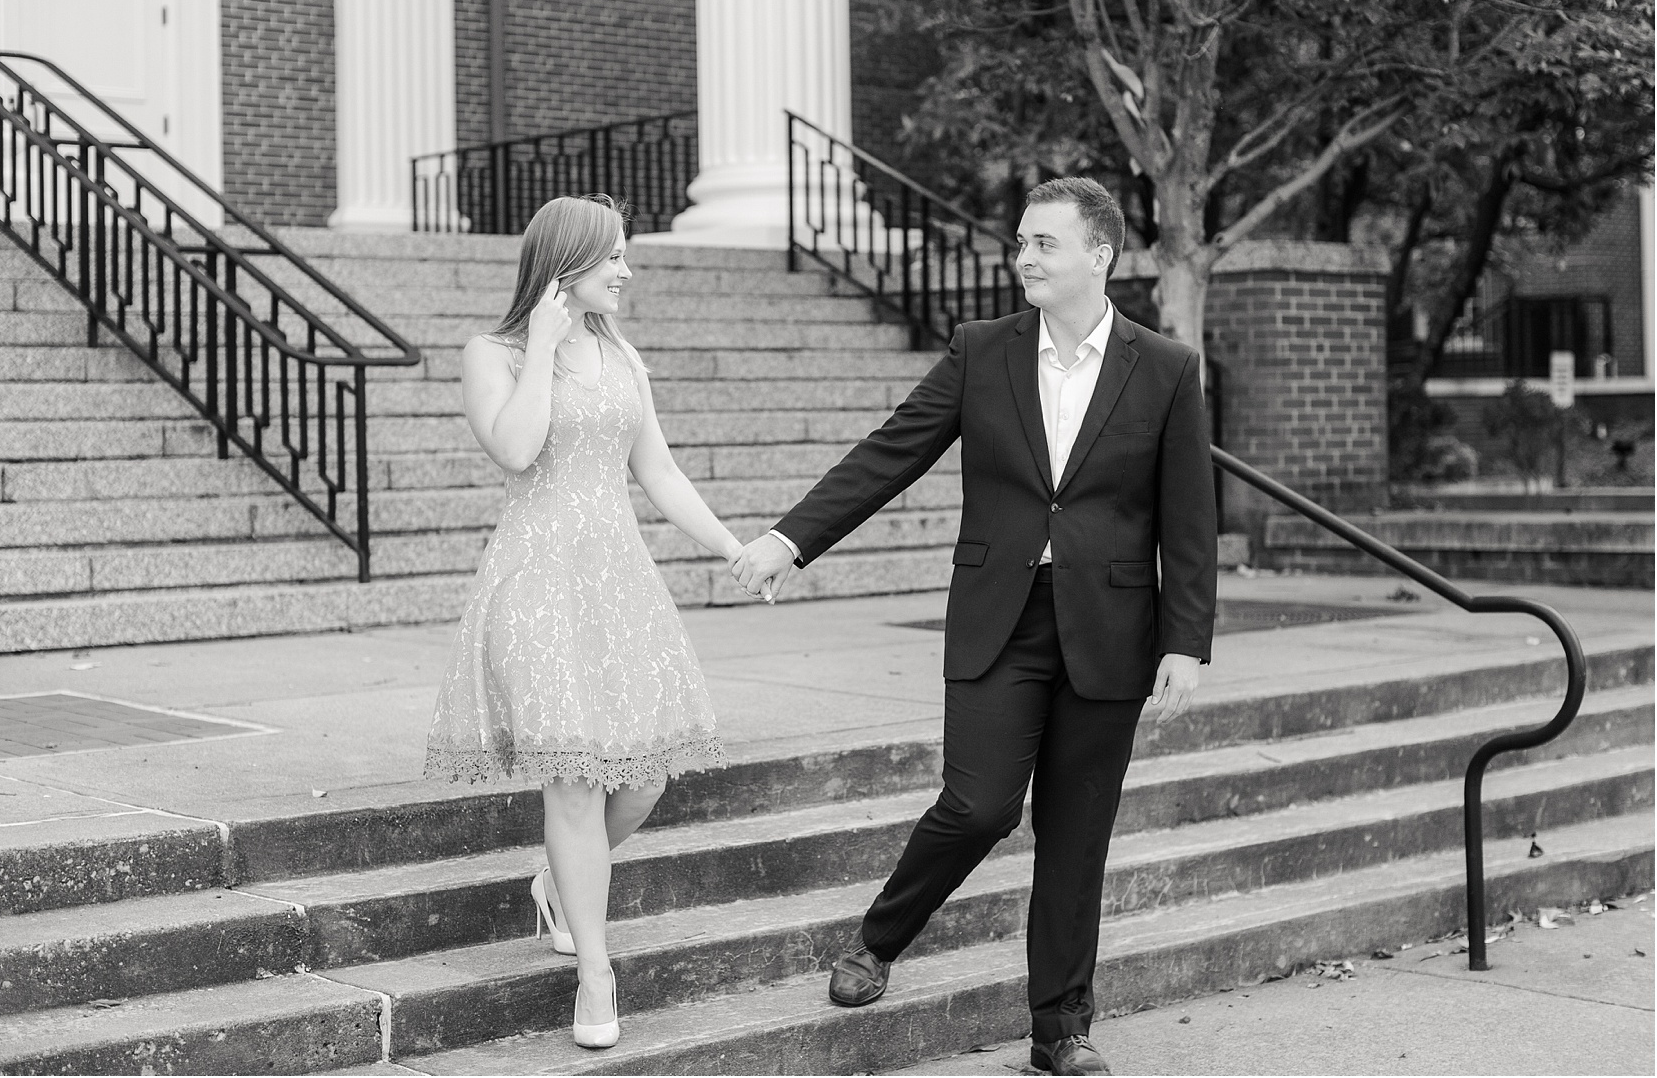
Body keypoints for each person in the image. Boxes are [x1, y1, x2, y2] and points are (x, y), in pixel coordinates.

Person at [732, 177, 1217, 1076]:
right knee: (981, 804)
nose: (1023, 256)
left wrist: (1186, 639)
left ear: (1099, 255)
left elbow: (1188, 519)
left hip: (1111, 632)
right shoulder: (982, 350)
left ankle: (1060, 1031)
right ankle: (882, 936)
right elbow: (892, 449)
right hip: (1001, 621)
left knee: (1077, 834)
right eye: (1021, 242)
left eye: (1043, 243)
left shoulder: (1165, 368)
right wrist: (791, 539)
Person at [425, 194, 741, 1051]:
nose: (626, 273)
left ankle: (557, 882)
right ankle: (595, 973)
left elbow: (661, 473)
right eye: (612, 260)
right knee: (571, 778)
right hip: (535, 584)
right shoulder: (489, 353)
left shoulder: (625, 357)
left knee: (640, 778)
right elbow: (518, 449)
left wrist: (731, 547)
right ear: (566, 264)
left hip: (619, 581)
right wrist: (542, 348)